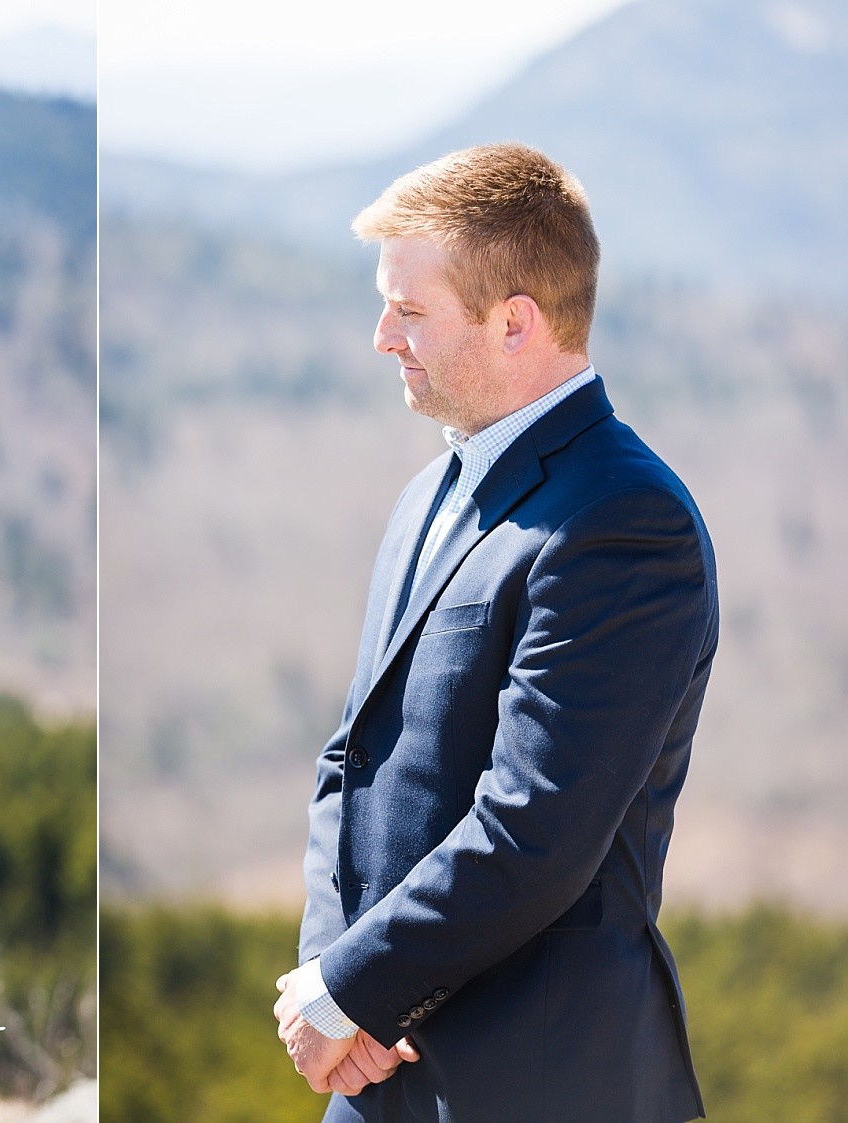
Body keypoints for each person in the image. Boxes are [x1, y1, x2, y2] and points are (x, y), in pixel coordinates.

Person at [272, 144, 717, 1123]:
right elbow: (351, 760)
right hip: (375, 1078)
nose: (382, 335)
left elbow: (534, 827)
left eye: (411, 309)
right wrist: (330, 976)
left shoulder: (623, 521)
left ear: (515, 321)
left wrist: (351, 987)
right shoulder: (423, 499)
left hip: (544, 1085)